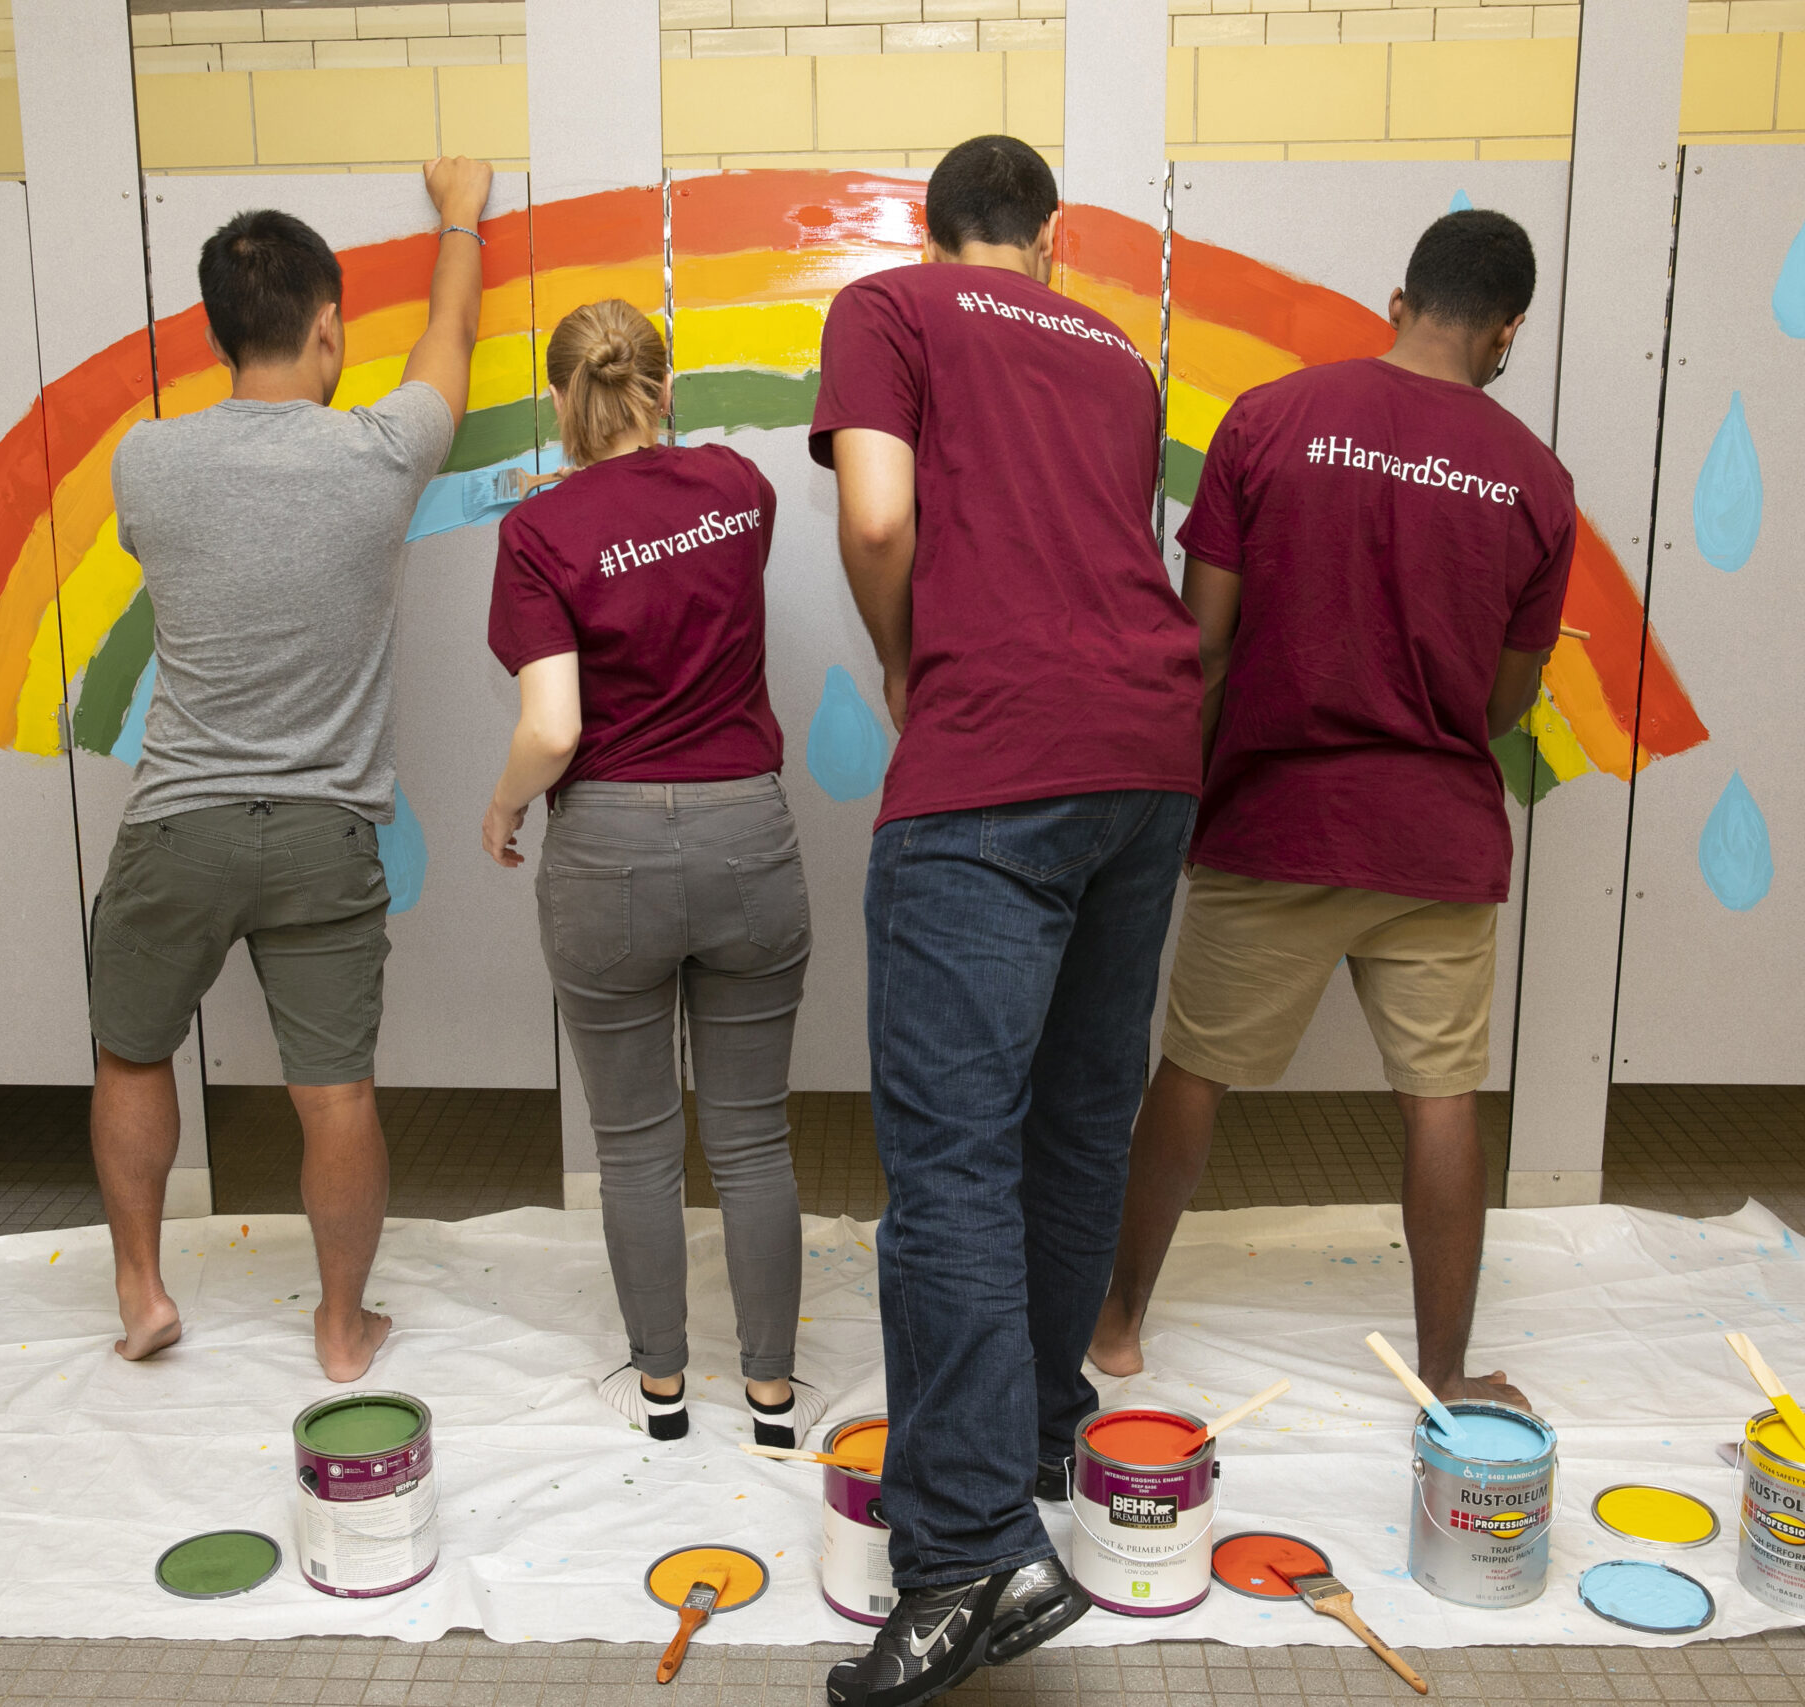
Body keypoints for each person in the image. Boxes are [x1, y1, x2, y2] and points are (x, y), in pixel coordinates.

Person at [810, 136, 1202, 1705]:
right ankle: (1035, 1436)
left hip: (998, 761)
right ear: (1051, 236)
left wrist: (907, 666)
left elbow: (882, 520)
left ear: (930, 225)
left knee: (956, 1151)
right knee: (1076, 1121)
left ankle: (969, 1547)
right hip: (1150, 756)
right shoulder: (1119, 353)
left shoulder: (890, 308)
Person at [1087, 209, 1574, 1417]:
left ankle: (1117, 1323)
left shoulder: (1270, 421)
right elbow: (1504, 701)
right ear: (1508, 333)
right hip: (1435, 839)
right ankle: (1449, 1370)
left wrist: (1170, 808)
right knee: (1441, 1100)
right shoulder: (1536, 482)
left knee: (1192, 1075)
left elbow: (1200, 644)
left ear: (1397, 301)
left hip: (1278, 819)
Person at [89, 159, 495, 1383]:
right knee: (335, 1095)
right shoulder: (378, 453)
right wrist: (461, 217)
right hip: (323, 832)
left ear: (218, 332)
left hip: (178, 825)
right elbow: (451, 334)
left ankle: (142, 1287)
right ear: (328, 327)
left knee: (131, 1052)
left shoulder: (145, 465)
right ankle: (338, 1326)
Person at [482, 300, 821, 1451]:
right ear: (663, 389)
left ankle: (665, 1388)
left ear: (559, 401)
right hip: (746, 838)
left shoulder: (538, 531)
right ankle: (772, 1396)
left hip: (610, 854)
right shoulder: (740, 488)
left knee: (632, 1141)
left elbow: (554, 727)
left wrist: (502, 801)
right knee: (752, 1136)